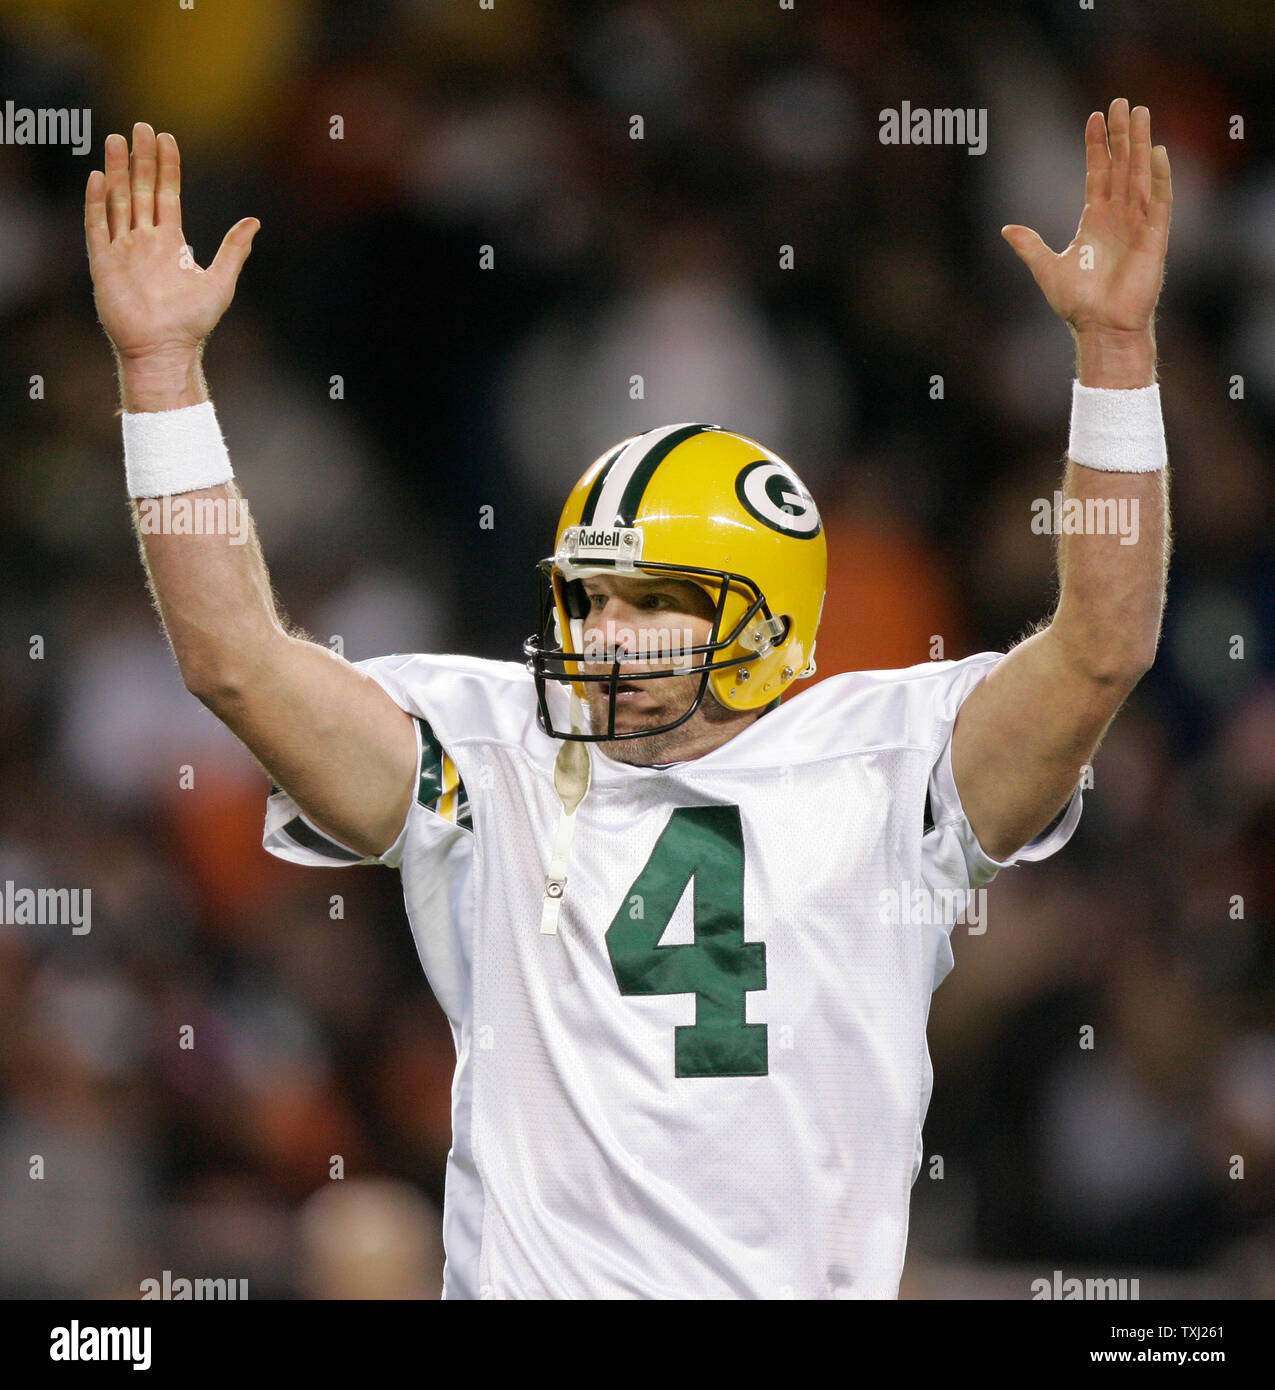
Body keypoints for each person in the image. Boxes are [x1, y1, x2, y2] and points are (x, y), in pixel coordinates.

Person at [86, 99, 1172, 1299]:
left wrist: (1115, 354)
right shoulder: (492, 752)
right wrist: (162, 373)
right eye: (589, 597)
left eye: (652, 599)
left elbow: (1101, 651)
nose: (605, 633)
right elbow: (233, 659)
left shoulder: (890, 764)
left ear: (764, 615)